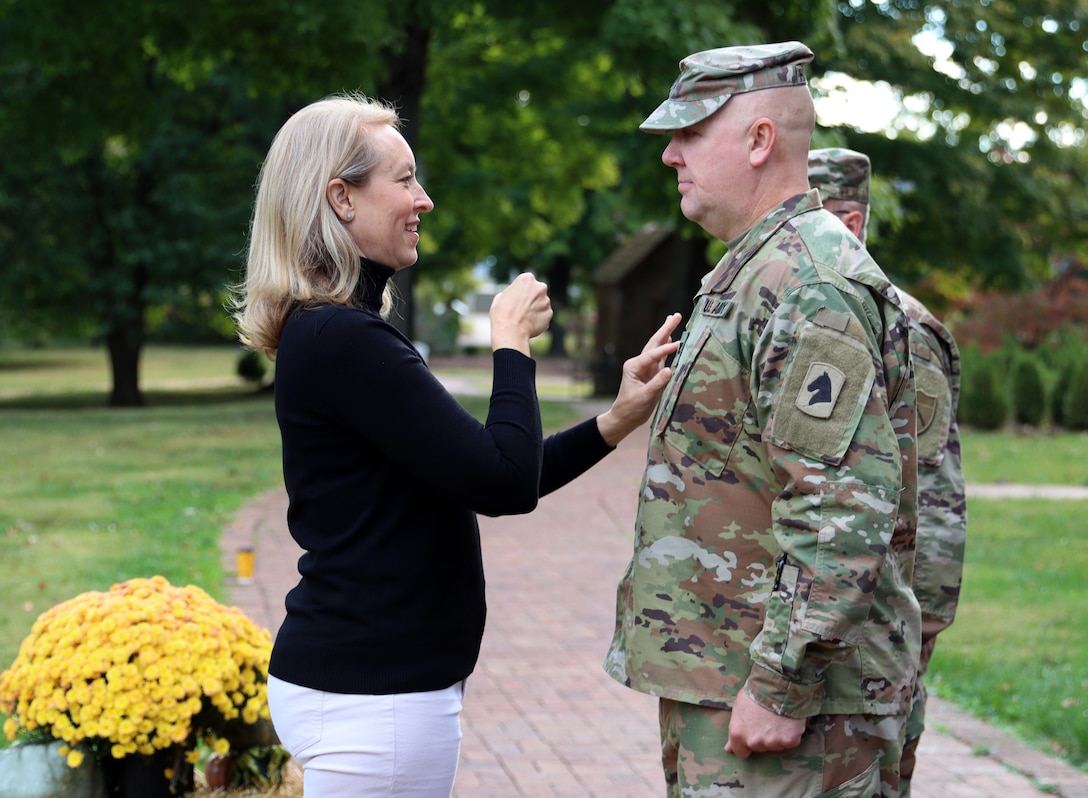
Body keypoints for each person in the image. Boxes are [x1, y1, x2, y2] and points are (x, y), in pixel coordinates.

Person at [231, 91, 682, 797]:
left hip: (368, 688)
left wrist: (614, 420)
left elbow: (484, 469)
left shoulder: (337, 334)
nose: (425, 199)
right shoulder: (343, 339)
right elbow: (502, 481)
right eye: (405, 179)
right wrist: (511, 341)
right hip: (374, 700)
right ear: (341, 199)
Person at [604, 43, 921, 797]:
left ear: (759, 140)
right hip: (728, 678)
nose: (670, 156)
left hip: (787, 711)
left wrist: (783, 681)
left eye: (689, 133)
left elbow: (841, 502)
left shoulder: (808, 283)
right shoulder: (759, 266)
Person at [808, 147, 968, 798]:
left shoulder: (902, 325)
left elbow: (929, 483)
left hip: (886, 609)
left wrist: (921, 623)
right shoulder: (823, 309)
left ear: (847, 224)